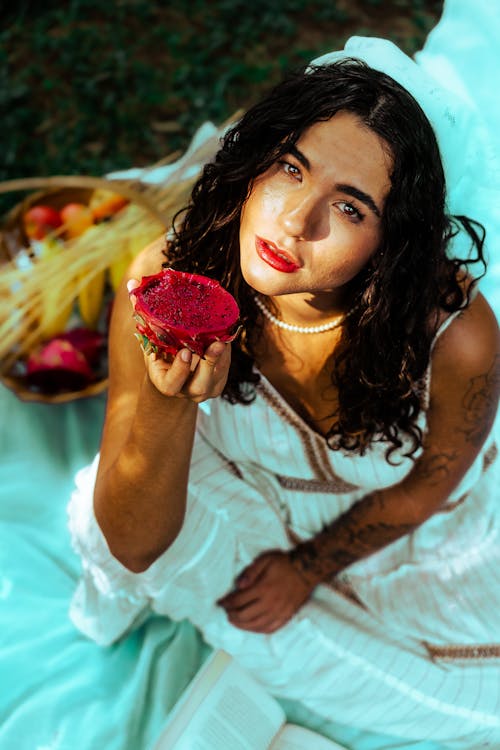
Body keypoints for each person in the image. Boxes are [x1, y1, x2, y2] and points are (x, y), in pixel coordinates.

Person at [68, 41, 500, 749]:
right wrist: (172, 398)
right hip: (243, 496)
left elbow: (427, 488)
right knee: (106, 524)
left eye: (351, 208)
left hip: (398, 536)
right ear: (255, 159)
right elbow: (137, 544)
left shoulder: (455, 334)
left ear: (390, 245)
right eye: (291, 168)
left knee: (484, 703)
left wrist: (306, 569)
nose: (296, 221)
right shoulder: (164, 283)